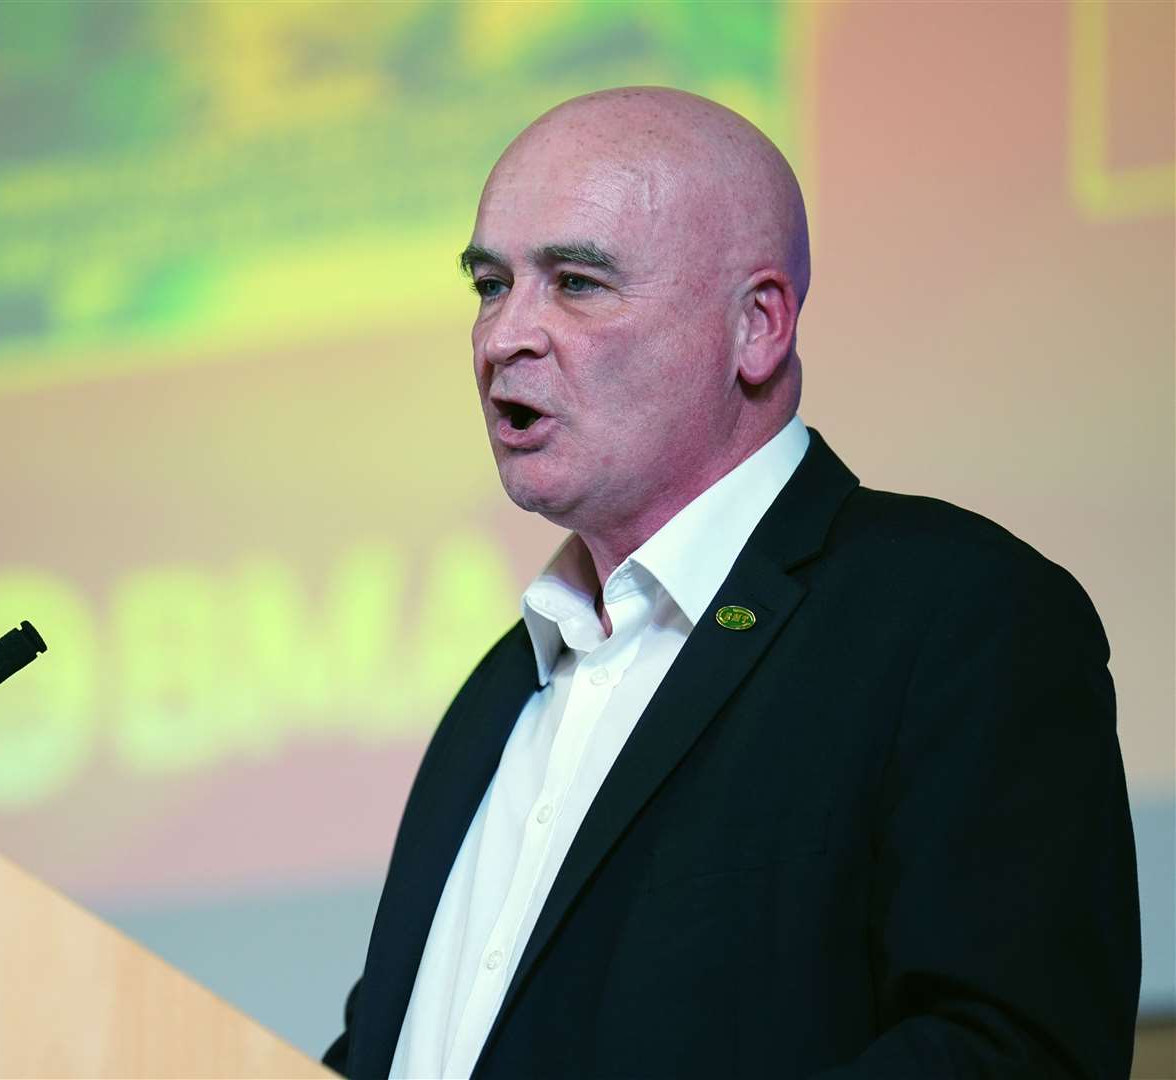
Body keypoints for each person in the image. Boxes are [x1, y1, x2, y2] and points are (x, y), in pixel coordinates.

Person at [322, 87, 1140, 1080]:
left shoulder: (953, 617)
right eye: (491, 285)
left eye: (575, 283)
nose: (504, 337)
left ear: (757, 326)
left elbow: (1009, 1048)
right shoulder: (499, 692)